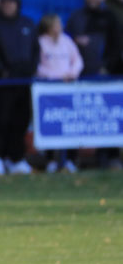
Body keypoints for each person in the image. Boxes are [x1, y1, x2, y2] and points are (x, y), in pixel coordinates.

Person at [0, 0, 39, 175]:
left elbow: (35, 49)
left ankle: (16, 157)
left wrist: (31, 69)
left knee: (21, 120)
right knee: (2, 120)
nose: (8, 6)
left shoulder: (28, 23)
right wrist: (1, 70)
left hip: (24, 80)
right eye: (5, 3)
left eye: (11, 3)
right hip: (4, 82)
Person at [36, 14, 84, 173]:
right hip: (49, 90)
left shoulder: (67, 41)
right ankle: (51, 159)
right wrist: (54, 77)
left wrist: (72, 73)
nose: (59, 27)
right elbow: (37, 66)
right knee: (51, 123)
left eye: (59, 24)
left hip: (68, 87)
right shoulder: (40, 42)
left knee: (70, 123)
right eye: (55, 24)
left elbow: (77, 60)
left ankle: (70, 159)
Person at [67, 0, 120, 77]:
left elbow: (116, 45)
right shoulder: (76, 16)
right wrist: (75, 39)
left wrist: (107, 67)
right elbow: (66, 38)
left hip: (105, 72)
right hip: (79, 71)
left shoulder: (110, 17)